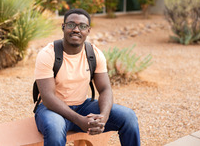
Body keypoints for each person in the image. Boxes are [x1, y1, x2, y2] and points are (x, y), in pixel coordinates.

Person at [34, 8, 140, 146]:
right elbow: (48, 98)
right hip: (53, 110)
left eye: (82, 26)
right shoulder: (48, 54)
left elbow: (105, 89)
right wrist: (79, 120)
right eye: (71, 24)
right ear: (63, 27)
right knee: (54, 129)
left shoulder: (94, 54)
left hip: (83, 107)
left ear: (88, 30)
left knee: (129, 117)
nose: (76, 30)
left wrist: (103, 117)